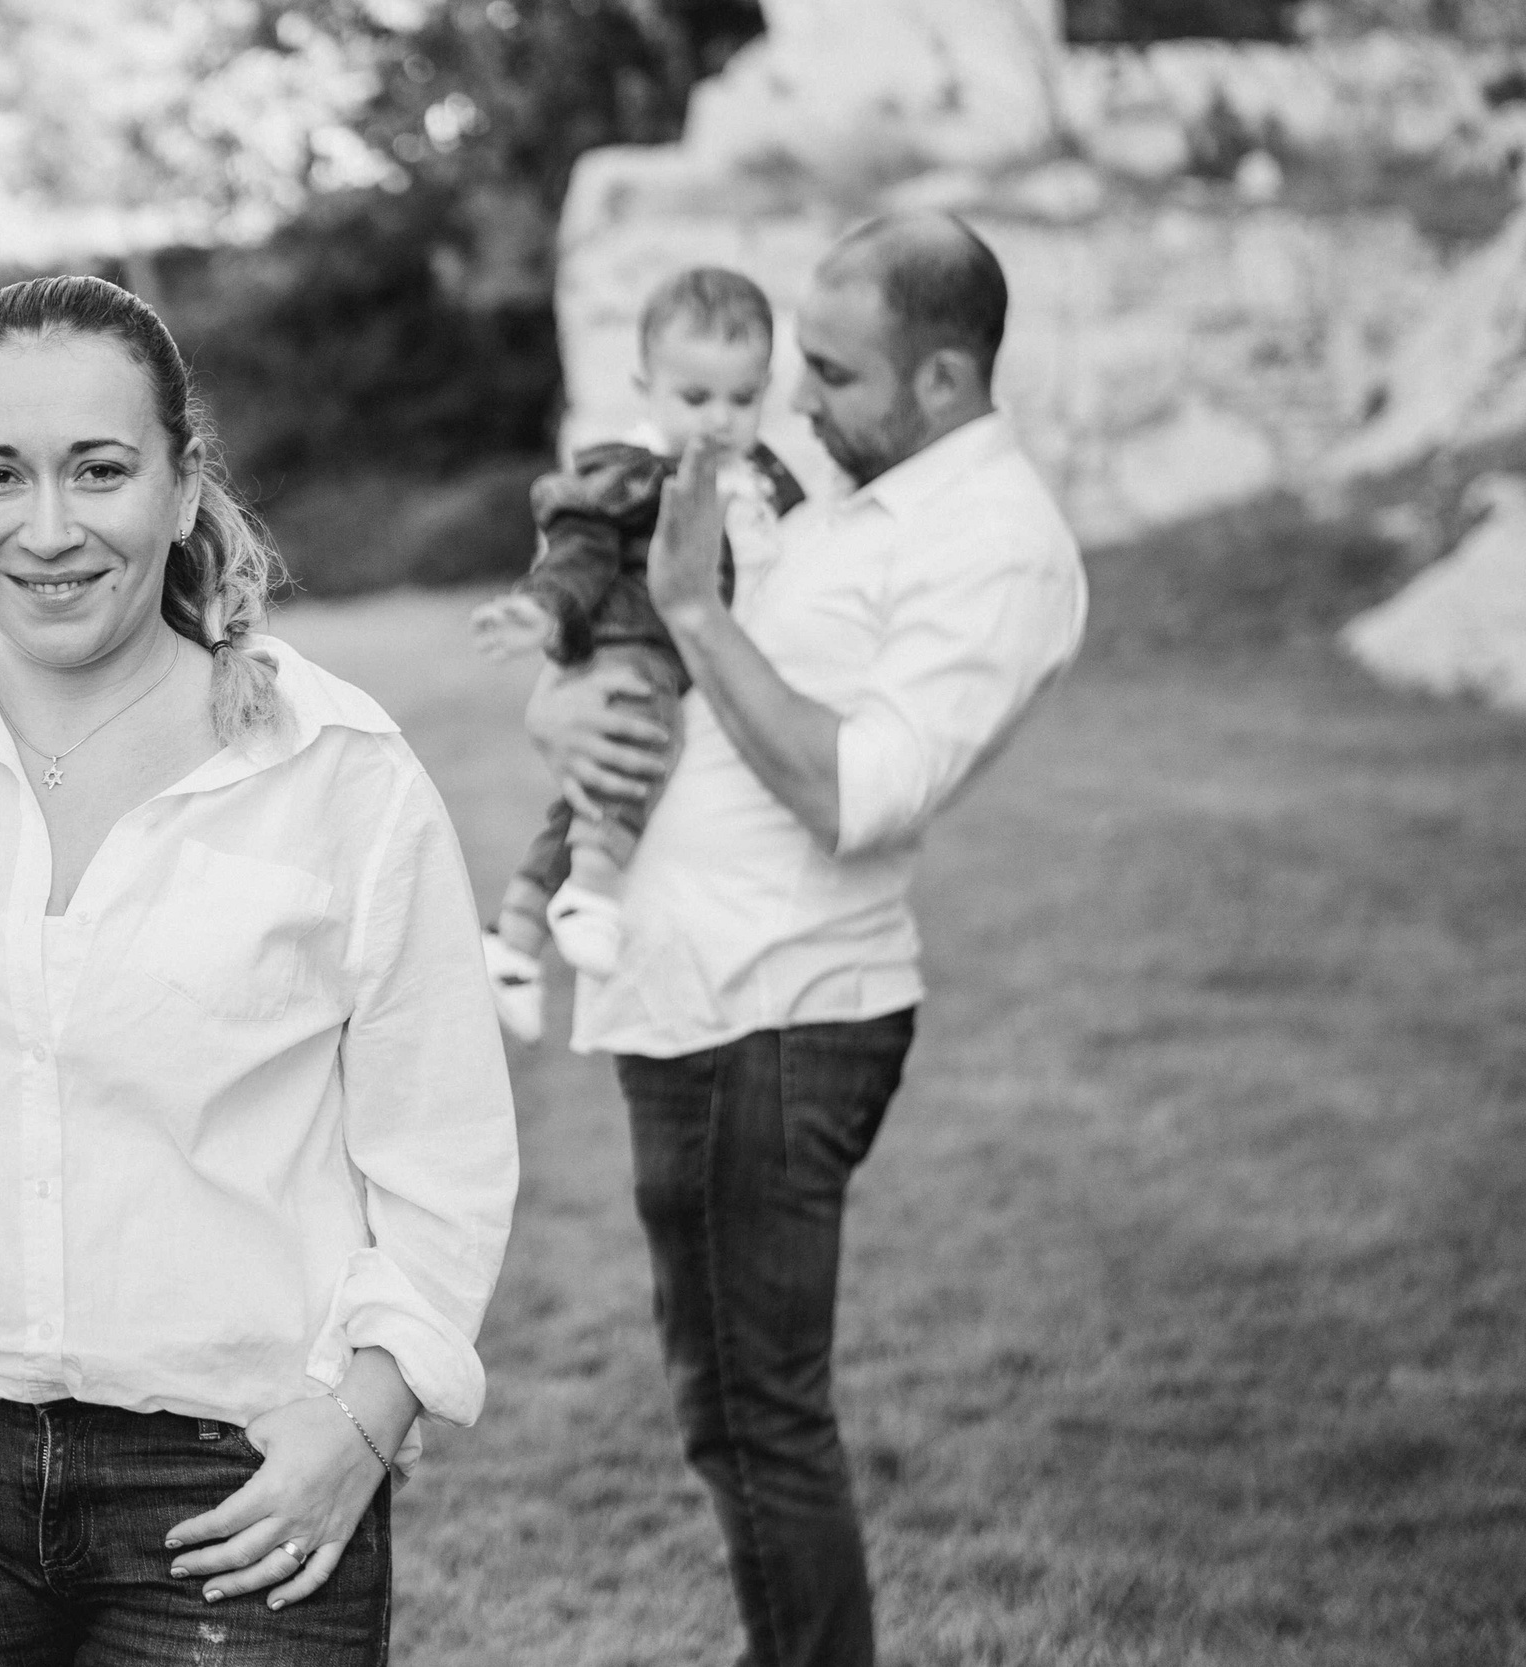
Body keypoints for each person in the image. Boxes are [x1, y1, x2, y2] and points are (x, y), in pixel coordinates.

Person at [0, 274, 518, 1667]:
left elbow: (445, 1162)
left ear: (186, 485)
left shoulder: (338, 772)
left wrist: (360, 1422)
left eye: (101, 469)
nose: (48, 528)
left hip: (236, 1473)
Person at [525, 213, 1088, 1667]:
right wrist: (564, 704)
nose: (798, 401)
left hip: (774, 1013)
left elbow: (855, 786)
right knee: (732, 1408)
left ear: (948, 377)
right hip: (693, 990)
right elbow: (644, 667)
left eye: (832, 372)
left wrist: (696, 609)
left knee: (754, 1416)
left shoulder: (1001, 546)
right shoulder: (847, 479)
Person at [469, 267, 806, 1042]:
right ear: (646, 387)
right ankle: (590, 890)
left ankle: (513, 937)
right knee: (638, 738)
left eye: (742, 398)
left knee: (594, 784)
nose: (719, 420)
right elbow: (578, 553)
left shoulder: (765, 483)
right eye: (695, 398)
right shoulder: (632, 476)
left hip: (708, 685)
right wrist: (540, 611)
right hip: (632, 649)